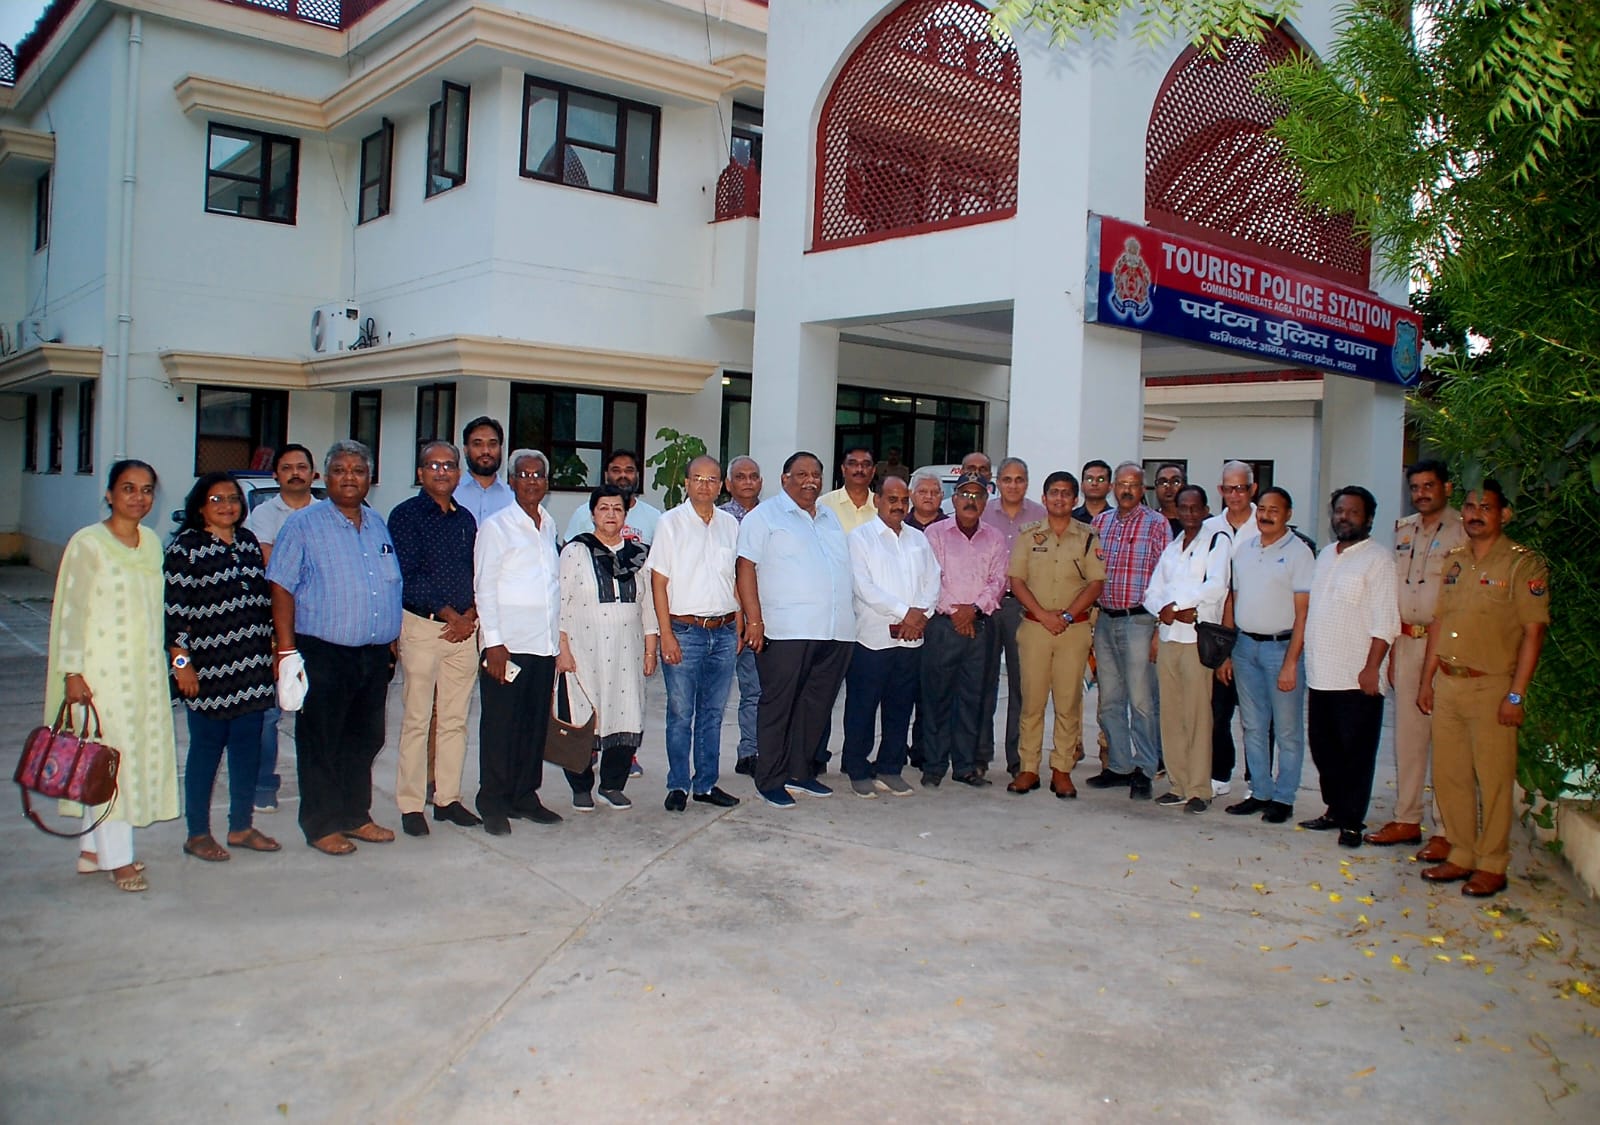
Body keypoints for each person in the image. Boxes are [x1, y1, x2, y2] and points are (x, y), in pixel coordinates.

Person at [45, 460, 177, 892]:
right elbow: (71, 610)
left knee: (103, 761)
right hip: (100, 673)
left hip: (142, 671)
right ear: (109, 494)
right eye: (128, 488)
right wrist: (72, 672)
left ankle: (89, 851)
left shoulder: (152, 542)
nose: (138, 498)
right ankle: (118, 860)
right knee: (113, 760)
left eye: (146, 490)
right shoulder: (89, 544)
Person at [267, 440, 403, 856]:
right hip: (323, 651)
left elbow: (388, 583)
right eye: (341, 470)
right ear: (325, 478)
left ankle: (355, 815)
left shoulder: (378, 523)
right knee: (322, 740)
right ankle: (321, 823)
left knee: (364, 739)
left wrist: (392, 642)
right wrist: (286, 650)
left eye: (358, 470)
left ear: (369, 479)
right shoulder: (304, 525)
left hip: (373, 654)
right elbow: (281, 586)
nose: (350, 477)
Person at [1416, 482, 1548, 897]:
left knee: (1493, 779)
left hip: (1492, 686)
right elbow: (1438, 624)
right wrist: (1427, 679)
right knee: (1449, 775)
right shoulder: (1455, 562)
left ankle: (1493, 862)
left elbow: (1533, 633)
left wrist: (1516, 695)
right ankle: (1461, 852)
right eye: (1470, 507)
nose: (1475, 514)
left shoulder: (1523, 565)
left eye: (1485, 508)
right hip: (1449, 683)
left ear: (1504, 514)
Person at [165, 472, 280, 863]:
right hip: (208, 674)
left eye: (232, 498)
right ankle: (197, 833)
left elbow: (263, 603)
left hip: (251, 669)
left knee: (248, 751)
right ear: (200, 506)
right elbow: (174, 616)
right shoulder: (186, 548)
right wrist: (182, 666)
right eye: (217, 499)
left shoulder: (247, 542)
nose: (227, 505)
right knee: (206, 753)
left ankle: (241, 826)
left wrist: (274, 650)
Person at [735, 451, 854, 808]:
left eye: (816, 474)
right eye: (801, 474)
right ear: (784, 478)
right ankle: (770, 778)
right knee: (778, 705)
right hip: (786, 629)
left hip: (834, 629)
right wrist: (754, 620)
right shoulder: (764, 516)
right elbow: (745, 568)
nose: (810, 480)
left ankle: (799, 773)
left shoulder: (830, 517)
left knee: (815, 706)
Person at [1368, 459, 1467, 849]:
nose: (1422, 493)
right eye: (1415, 487)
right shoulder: (1404, 530)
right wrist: (1392, 651)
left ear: (1447, 487)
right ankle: (1406, 818)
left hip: (1445, 646)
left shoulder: (1463, 530)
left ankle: (1446, 828)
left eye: (1429, 486)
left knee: (1445, 739)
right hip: (1406, 641)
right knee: (1408, 739)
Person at [388, 440, 481, 836]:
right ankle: (411, 804)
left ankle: (448, 799)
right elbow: (408, 575)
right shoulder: (405, 516)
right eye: (434, 465)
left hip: (464, 633)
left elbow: (478, 572)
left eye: (449, 466)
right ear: (421, 473)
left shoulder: (466, 521)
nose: (442, 472)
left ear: (459, 475)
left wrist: (471, 616)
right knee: (417, 719)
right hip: (426, 628)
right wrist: (451, 616)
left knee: (455, 721)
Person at [1301, 486, 1399, 848]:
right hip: (1322, 673)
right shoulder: (1326, 555)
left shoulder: (1378, 560)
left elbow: (1386, 620)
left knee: (1356, 752)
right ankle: (1334, 809)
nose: (1344, 517)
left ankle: (1352, 820)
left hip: (1358, 678)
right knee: (1323, 748)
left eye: (1353, 512)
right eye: (1340, 511)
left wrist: (1372, 668)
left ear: (1369, 518)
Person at [474, 449, 565, 835]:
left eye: (539, 475)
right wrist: (493, 642)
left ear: (547, 483)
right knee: (500, 725)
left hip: (542, 644)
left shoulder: (547, 523)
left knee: (532, 726)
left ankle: (524, 794)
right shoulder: (496, 527)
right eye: (524, 475)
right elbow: (484, 587)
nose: (532, 481)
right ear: (511, 482)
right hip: (507, 647)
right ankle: (492, 799)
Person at [558, 485, 660, 810]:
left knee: (625, 713)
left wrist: (650, 648)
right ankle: (581, 786)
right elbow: (559, 602)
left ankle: (613, 785)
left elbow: (648, 607)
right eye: (604, 508)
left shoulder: (638, 555)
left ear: (626, 515)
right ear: (592, 514)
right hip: (583, 651)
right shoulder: (575, 552)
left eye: (617, 509)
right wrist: (562, 648)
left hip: (627, 652)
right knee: (582, 715)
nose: (611, 515)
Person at [1006, 471, 1105, 799]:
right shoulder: (1028, 535)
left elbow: (1096, 583)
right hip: (1035, 628)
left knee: (1068, 702)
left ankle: (1062, 769)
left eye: (1066, 493)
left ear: (1075, 499)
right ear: (1044, 498)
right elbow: (1016, 581)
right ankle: (1028, 767)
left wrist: (1064, 615)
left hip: (1072, 630)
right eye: (1054, 493)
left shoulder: (1088, 536)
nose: (1060, 498)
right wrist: (1045, 615)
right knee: (1031, 701)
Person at [650, 456, 741, 810]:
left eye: (713, 479)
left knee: (713, 714)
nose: (705, 485)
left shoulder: (730, 525)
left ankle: (705, 783)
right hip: (684, 630)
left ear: (722, 486)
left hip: (723, 631)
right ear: (686, 483)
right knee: (680, 714)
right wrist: (666, 635)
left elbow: (734, 578)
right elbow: (659, 583)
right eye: (698, 479)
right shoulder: (670, 523)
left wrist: (740, 623)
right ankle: (678, 784)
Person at [842, 475, 941, 797]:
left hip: (911, 639)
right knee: (863, 706)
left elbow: (933, 579)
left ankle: (890, 768)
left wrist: (921, 614)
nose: (898, 506)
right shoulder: (860, 538)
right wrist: (905, 612)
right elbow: (863, 586)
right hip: (872, 639)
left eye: (903, 500)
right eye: (892, 499)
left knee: (900, 707)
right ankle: (857, 768)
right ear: (878, 500)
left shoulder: (917, 539)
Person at [1219, 486, 1313, 824]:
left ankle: (1284, 797)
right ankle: (1260, 791)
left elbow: (1303, 614)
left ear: (1288, 514)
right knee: (1252, 725)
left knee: (1286, 730)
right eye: (1264, 509)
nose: (1267, 515)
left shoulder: (1300, 553)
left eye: (1276, 509)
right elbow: (1233, 601)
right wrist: (1227, 652)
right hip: (1245, 648)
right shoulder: (1243, 550)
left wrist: (1291, 662)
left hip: (1281, 649)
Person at [1144, 485, 1231, 812]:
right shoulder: (1173, 547)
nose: (1190, 514)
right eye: (1184, 508)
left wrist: (1179, 606)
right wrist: (1163, 611)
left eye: (1196, 508)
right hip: (1169, 639)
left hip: (1197, 639)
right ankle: (1177, 783)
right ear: (1177, 511)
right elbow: (1152, 590)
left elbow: (1216, 586)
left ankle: (1199, 789)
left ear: (1205, 509)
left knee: (1197, 716)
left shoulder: (1217, 541)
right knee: (1172, 715)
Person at [1088, 462, 1172, 798]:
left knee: (1141, 701)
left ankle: (1145, 768)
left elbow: (1166, 579)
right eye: (1121, 484)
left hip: (1139, 620)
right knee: (1109, 698)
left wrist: (1156, 631)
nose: (1126, 490)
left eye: (1133, 485)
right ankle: (1119, 766)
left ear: (1142, 490)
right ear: (1112, 488)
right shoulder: (1100, 523)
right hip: (1105, 619)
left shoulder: (1157, 524)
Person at [244, 442, 318, 814]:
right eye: (287, 467)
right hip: (271, 625)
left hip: (318, 625)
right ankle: (262, 786)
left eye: (301, 466)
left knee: (316, 712)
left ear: (313, 473)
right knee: (268, 714)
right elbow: (271, 565)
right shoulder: (262, 514)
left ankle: (318, 785)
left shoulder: (326, 511)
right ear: (276, 475)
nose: (295, 472)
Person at [921, 472, 1007, 788]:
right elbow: (930, 578)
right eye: (965, 495)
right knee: (937, 697)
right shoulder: (935, 533)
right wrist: (957, 612)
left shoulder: (995, 538)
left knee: (973, 698)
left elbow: (998, 581)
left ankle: (966, 766)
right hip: (944, 625)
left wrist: (973, 610)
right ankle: (933, 765)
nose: (971, 502)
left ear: (986, 501)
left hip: (979, 626)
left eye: (978, 496)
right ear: (954, 499)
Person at [979, 457, 1048, 777]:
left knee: (1024, 686)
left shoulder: (1041, 516)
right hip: (988, 607)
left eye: (1019, 479)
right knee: (983, 682)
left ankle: (1019, 757)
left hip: (1024, 608)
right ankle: (978, 754)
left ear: (1027, 482)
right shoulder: (983, 511)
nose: (1013, 485)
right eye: (1007, 479)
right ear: (997, 482)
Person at [1200, 461, 1260, 798]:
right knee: (1217, 709)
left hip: (1254, 632)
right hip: (1217, 634)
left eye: (1241, 488)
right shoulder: (1210, 528)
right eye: (1228, 488)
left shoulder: (1265, 524)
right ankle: (1219, 772)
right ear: (1220, 491)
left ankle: (1257, 779)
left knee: (1256, 714)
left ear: (1252, 489)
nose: (1234, 495)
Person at [720, 456, 764, 776]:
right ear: (728, 484)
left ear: (761, 481)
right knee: (713, 696)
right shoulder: (719, 520)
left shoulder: (772, 517)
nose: (747, 482)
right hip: (724, 619)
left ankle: (751, 750)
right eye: (740, 476)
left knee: (756, 689)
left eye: (753, 476)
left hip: (763, 617)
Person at [564, 449, 662, 545]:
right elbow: (568, 552)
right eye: (616, 471)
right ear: (606, 475)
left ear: (637, 475)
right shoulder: (584, 513)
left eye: (629, 470)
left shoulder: (654, 517)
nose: (623, 475)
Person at [453, 417, 514, 526]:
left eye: (492, 444)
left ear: (501, 448)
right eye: (477, 444)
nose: (486, 451)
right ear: (465, 450)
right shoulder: (451, 494)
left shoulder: (513, 498)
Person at [820, 443, 879, 533]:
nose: (859, 469)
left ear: (873, 471)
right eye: (853, 464)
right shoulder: (824, 504)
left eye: (865, 464)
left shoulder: (882, 506)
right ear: (843, 469)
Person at [1152, 463, 1186, 534]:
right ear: (1156, 487)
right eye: (1162, 482)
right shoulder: (1148, 521)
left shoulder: (1199, 520)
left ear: (1185, 485)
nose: (1168, 486)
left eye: (1175, 482)